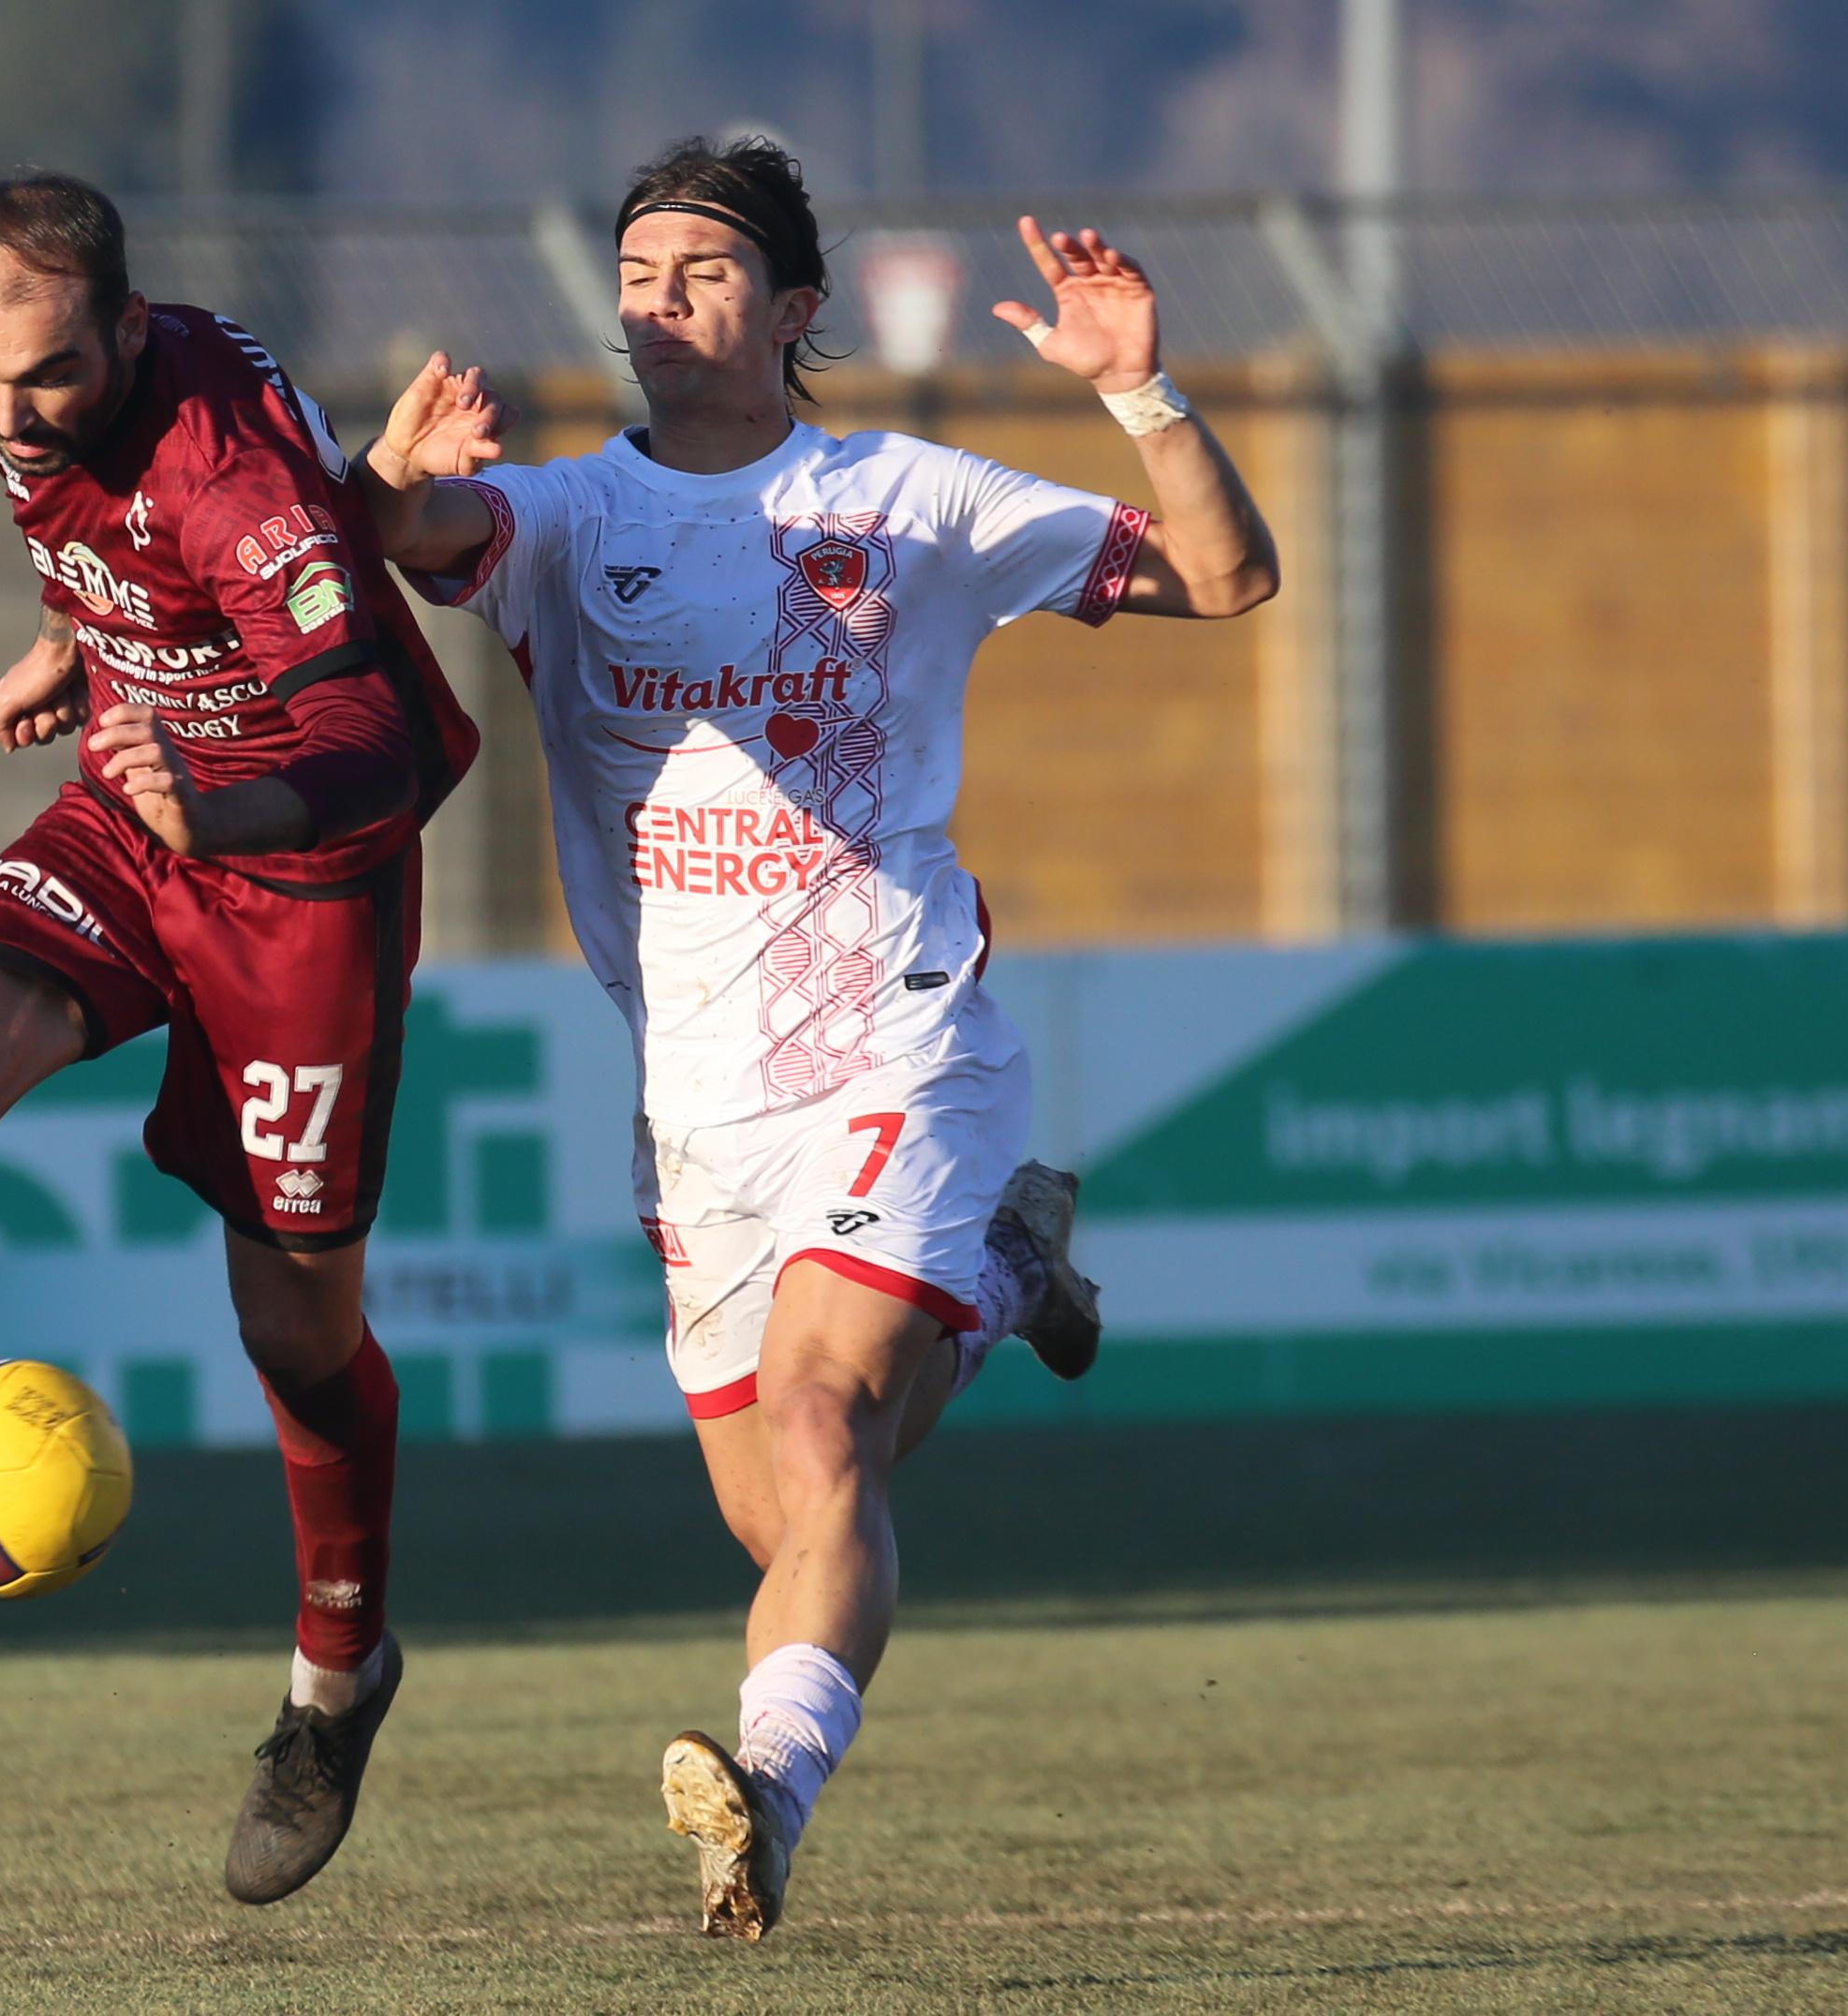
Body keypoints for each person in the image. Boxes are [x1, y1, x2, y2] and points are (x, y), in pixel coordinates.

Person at [355, 137, 1278, 1939]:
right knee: (786, 1517)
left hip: (895, 1040)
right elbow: (402, 537)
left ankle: (768, 1790)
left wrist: (1138, 390)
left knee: (823, 1421)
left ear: (792, 313)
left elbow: (1226, 579)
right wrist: (386, 476)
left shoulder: (907, 498)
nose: (660, 302)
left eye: (701, 271)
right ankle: (1011, 1271)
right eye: (636, 276)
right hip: (694, 1100)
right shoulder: (567, 518)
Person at [0, 170, 480, 1908]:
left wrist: (235, 813)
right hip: (139, 815)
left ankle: (335, 1678)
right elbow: (100, 521)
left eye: (47, 379)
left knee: (297, 1331)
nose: (4, 411)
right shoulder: (3, 383)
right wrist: (83, 635)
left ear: (127, 334)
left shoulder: (229, 475)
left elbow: (371, 718)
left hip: (303, 870)